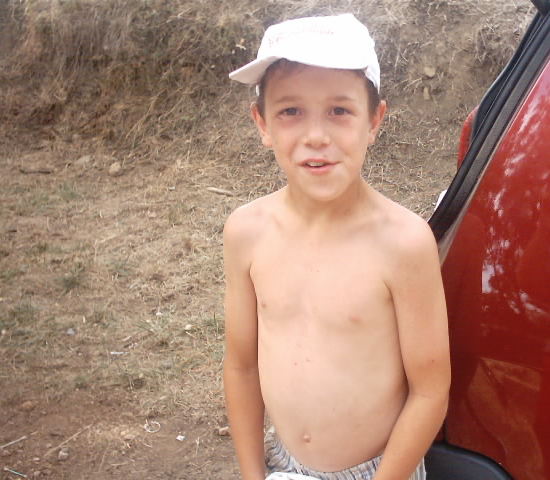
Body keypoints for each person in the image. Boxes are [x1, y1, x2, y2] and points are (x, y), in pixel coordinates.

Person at [222, 13, 450, 480]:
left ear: (374, 121)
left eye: (339, 111)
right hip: (283, 463)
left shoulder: (403, 244)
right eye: (290, 111)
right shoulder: (246, 231)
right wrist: (252, 474)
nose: (316, 136)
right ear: (262, 123)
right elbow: (241, 367)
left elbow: (430, 392)